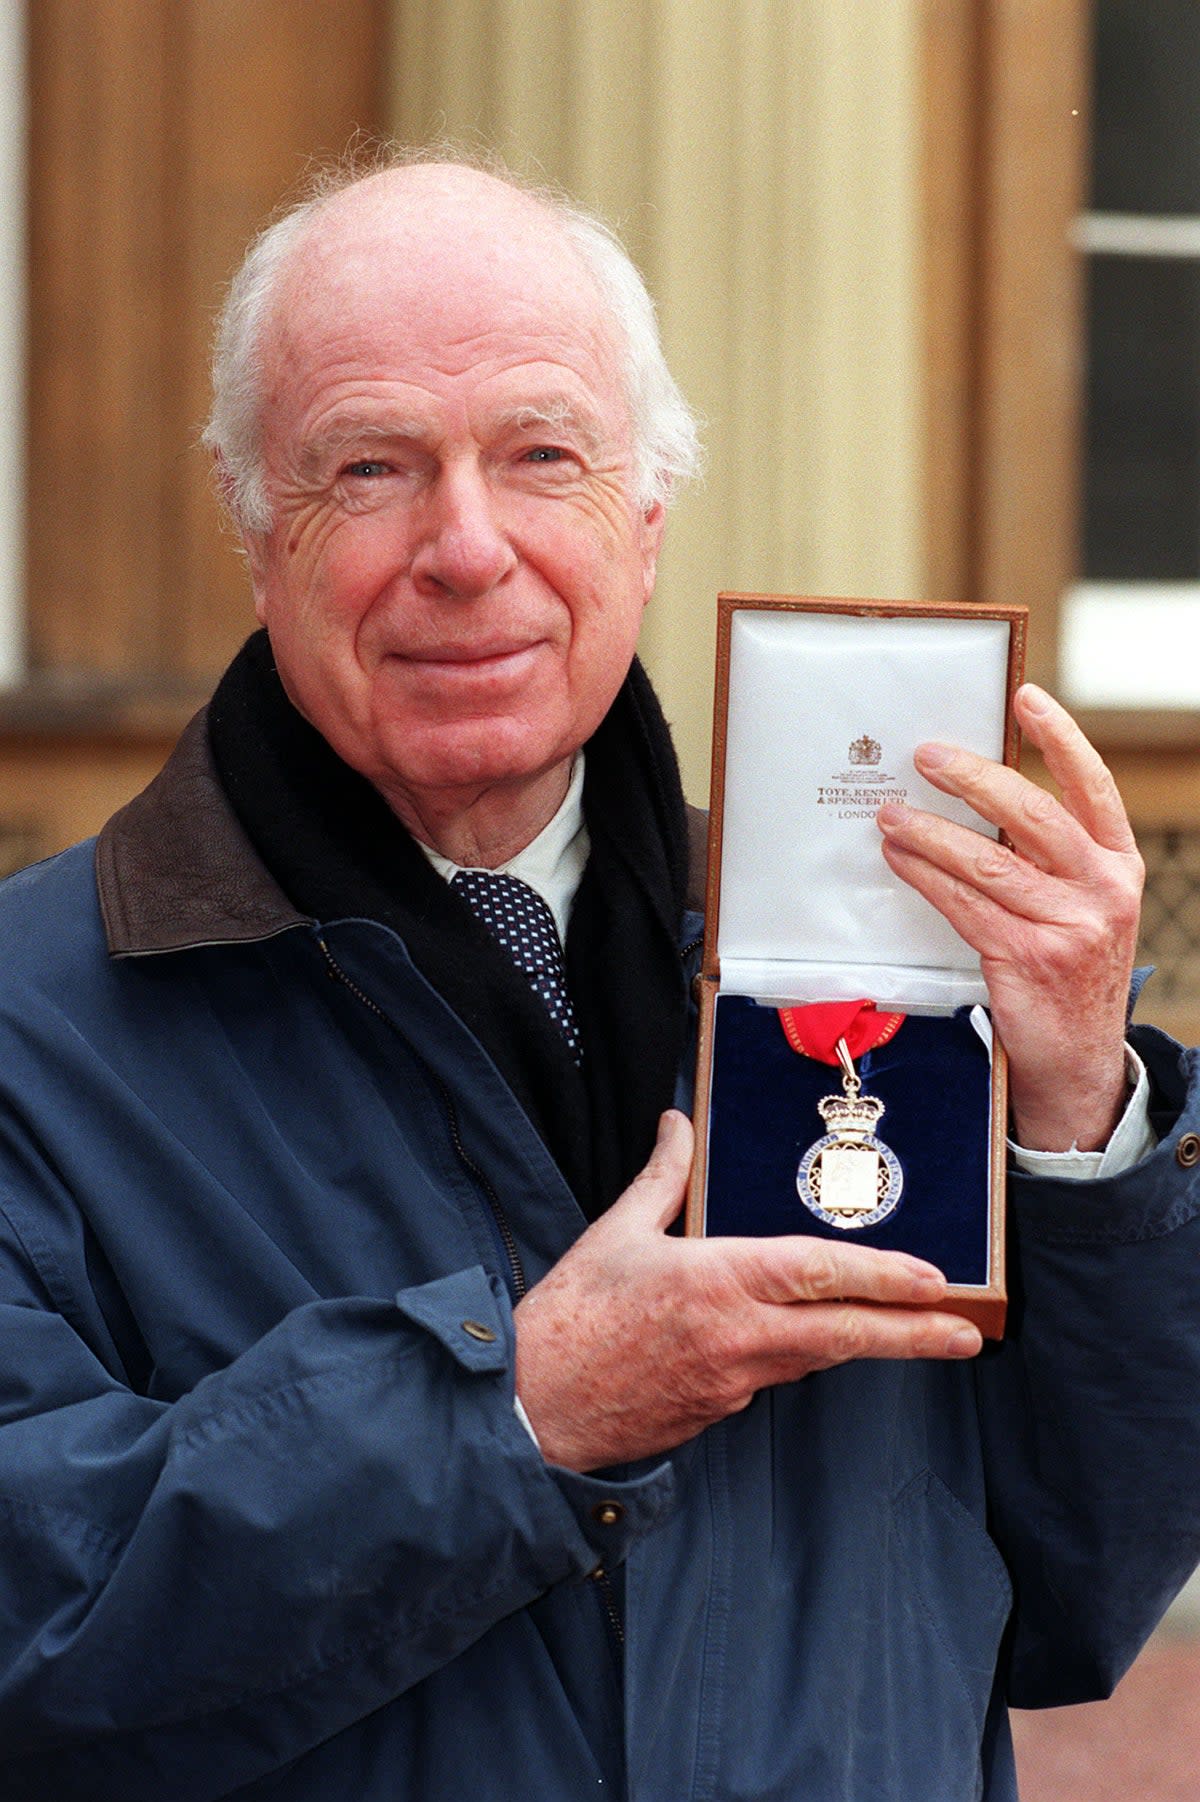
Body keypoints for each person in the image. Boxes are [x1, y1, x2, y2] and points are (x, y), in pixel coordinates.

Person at [0, 150, 1196, 1802]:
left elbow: (1072, 1598)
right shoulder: (30, 1028)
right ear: (254, 525)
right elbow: (27, 1633)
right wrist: (516, 1409)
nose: (466, 546)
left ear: (644, 515)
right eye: (370, 468)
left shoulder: (888, 962)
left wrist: (1080, 1134)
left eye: (540, 454)